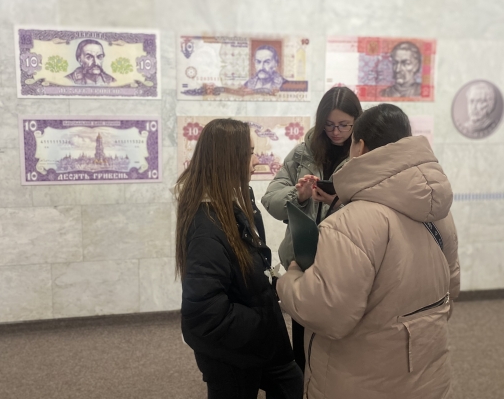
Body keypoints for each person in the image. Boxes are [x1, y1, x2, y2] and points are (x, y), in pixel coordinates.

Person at [276, 104, 460, 399]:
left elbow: (325, 313)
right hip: (427, 374)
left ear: (359, 147)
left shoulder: (350, 223)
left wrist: (290, 277)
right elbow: (451, 288)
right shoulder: (439, 213)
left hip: (362, 380)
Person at [175, 118, 302, 399]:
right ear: (229, 159)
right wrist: (262, 321)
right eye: (250, 153)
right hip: (232, 351)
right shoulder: (207, 227)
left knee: (291, 383)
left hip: (252, 339)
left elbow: (248, 265)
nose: (256, 160)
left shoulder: (234, 203)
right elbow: (204, 313)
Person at [261, 86, 362, 372]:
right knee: (302, 341)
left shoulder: (365, 157)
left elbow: (375, 209)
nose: (335, 132)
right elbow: (270, 198)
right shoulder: (303, 153)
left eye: (344, 125)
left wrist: (337, 202)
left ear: (357, 121)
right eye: (329, 124)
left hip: (344, 260)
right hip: (302, 260)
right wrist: (299, 196)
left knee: (337, 340)